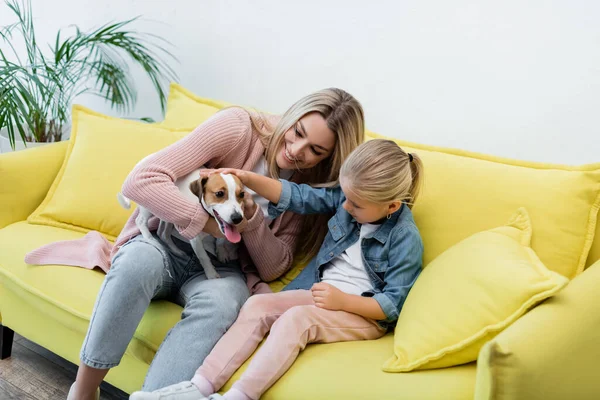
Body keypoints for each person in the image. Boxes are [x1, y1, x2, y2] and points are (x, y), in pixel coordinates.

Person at [24, 88, 365, 400]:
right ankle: (83, 392)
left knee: (225, 302)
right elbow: (141, 179)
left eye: (315, 150)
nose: (295, 151)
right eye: (297, 133)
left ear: (329, 157)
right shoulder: (238, 127)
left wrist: (251, 220)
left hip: (221, 268)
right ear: (291, 116)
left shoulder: (311, 192)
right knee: (135, 264)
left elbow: (276, 265)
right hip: (161, 241)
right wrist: (208, 223)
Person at [130, 139, 424, 400]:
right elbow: (298, 196)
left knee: (297, 319)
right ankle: (199, 386)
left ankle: (241, 395)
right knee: (258, 304)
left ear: (391, 206)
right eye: (344, 197)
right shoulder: (352, 199)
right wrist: (246, 178)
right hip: (321, 295)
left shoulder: (404, 238)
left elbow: (392, 305)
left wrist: (344, 302)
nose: (345, 207)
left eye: (355, 204)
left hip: (362, 313)